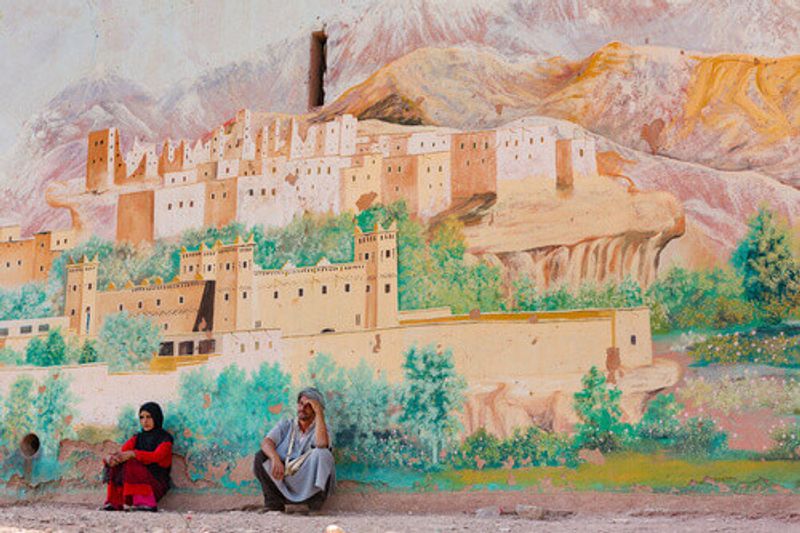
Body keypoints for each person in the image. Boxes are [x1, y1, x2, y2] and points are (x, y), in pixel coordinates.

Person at [253, 387, 335, 512]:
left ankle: (315, 505)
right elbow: (266, 442)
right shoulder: (286, 425)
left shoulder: (322, 428)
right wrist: (275, 458)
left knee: (324, 454)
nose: (302, 408)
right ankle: (274, 504)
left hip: (308, 482)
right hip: (285, 476)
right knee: (261, 457)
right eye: (301, 404)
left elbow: (322, 444)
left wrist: (319, 413)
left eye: (308, 405)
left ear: (316, 409)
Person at [101, 402, 174, 512]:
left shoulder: (165, 438)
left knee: (132, 462)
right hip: (135, 483)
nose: (145, 421)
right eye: (142, 417)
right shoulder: (137, 438)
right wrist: (111, 459)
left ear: (156, 417)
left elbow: (156, 457)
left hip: (155, 484)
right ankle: (115, 502)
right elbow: (123, 453)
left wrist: (134, 454)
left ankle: (146, 503)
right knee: (117, 463)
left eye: (149, 417)